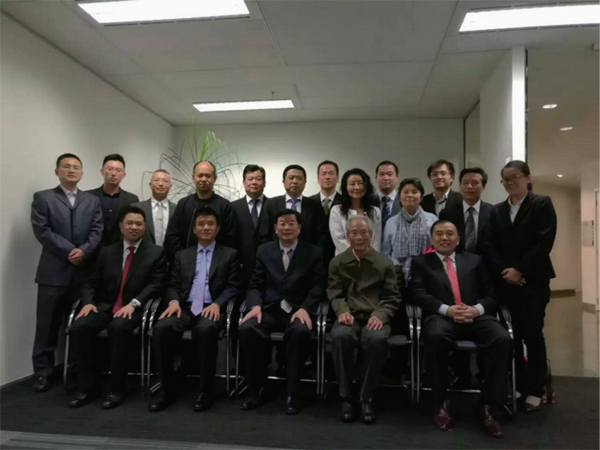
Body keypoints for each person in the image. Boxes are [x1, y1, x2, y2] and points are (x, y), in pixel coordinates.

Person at [409, 220, 511, 438]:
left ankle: (487, 405)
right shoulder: (421, 262)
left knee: (502, 339)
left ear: (458, 239)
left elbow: (492, 294)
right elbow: (416, 292)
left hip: (475, 316)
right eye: (439, 234)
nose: (444, 238)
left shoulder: (475, 260)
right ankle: (441, 402)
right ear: (432, 239)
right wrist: (447, 310)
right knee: (435, 337)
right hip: (442, 316)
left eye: (449, 234)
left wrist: (476, 310)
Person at [69, 206, 166, 409]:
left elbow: (156, 284)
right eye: (129, 223)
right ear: (121, 227)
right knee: (80, 327)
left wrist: (134, 303)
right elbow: (90, 282)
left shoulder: (155, 253)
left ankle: (117, 388)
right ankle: (88, 387)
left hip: (136, 308)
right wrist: (88, 303)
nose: (134, 227)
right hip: (105, 307)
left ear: (144, 227)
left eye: (139, 224)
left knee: (119, 327)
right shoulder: (107, 252)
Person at [149, 207, 241, 412]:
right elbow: (172, 285)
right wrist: (173, 301)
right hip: (185, 307)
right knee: (162, 328)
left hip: (212, 307)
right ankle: (167, 389)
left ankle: (205, 391)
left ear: (218, 228)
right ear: (194, 229)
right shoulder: (182, 255)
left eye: (210, 224)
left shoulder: (230, 254)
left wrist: (218, 304)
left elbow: (233, 286)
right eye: (201, 224)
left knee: (205, 330)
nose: (206, 227)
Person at [238, 210, 325, 415]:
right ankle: (256, 389)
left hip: (298, 310)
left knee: (300, 332)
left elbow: (318, 286)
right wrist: (255, 305)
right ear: (275, 229)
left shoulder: (313, 252)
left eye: (291, 223)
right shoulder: (264, 250)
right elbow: (255, 284)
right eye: (282, 224)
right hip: (270, 309)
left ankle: (293, 393)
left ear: (299, 228)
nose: (287, 227)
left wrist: (305, 308)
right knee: (248, 328)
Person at [30, 153, 103, 392]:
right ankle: (43, 372)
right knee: (47, 325)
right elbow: (42, 231)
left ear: (81, 173)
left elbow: (97, 230)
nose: (71, 170)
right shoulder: (43, 198)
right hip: (53, 273)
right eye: (66, 166)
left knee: (79, 325)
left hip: (83, 273)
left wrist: (84, 250)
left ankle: (75, 369)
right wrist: (70, 250)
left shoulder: (91, 201)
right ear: (57, 171)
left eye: (76, 167)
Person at [488, 160, 557, 412]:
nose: (510, 183)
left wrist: (520, 270)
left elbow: (544, 242)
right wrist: (506, 272)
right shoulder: (497, 211)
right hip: (505, 282)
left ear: (527, 178)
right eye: (505, 179)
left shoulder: (541, 203)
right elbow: (490, 245)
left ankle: (536, 389)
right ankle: (517, 384)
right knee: (511, 336)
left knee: (532, 333)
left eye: (515, 177)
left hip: (533, 281)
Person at [328, 216, 400, 424]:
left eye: (363, 233)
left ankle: (366, 397)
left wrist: (380, 314)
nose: (359, 237)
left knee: (377, 340)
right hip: (349, 316)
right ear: (347, 237)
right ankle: (345, 397)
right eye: (354, 233)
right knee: (340, 336)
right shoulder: (337, 262)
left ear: (371, 235)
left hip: (374, 316)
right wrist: (342, 311)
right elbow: (334, 292)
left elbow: (392, 296)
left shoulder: (384, 263)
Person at [164, 161, 236, 260]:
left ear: (215, 179)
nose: (203, 179)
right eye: (200, 175)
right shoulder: (183, 204)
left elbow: (231, 239)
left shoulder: (225, 206)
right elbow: (172, 235)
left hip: (217, 262)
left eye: (208, 176)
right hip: (186, 261)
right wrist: (182, 257)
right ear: (193, 178)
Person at [382, 178, 437, 285]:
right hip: (396, 275)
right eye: (406, 192)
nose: (410, 195)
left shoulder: (432, 220)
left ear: (421, 197)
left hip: (425, 273)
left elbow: (436, 249)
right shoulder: (391, 222)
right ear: (399, 197)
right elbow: (386, 252)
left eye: (414, 192)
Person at [263, 164, 327, 248]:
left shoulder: (315, 206)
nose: (295, 181)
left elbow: (322, 234)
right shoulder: (271, 204)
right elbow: (264, 234)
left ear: (305, 183)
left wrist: (315, 253)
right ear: (283, 182)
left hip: (308, 253)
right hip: (276, 253)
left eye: (299, 178)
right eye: (291, 178)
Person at [231, 165, 270, 287]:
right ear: (244, 183)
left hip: (269, 266)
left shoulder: (273, 205)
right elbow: (230, 238)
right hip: (240, 268)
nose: (254, 182)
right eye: (250, 179)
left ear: (264, 183)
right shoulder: (232, 207)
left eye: (258, 179)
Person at [87, 154, 139, 246]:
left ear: (123, 175)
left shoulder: (132, 199)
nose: (113, 173)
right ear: (102, 172)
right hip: (93, 249)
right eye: (110, 169)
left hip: (120, 249)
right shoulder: (88, 197)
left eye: (118, 170)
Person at [439, 167, 493, 256]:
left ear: (483, 187)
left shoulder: (492, 212)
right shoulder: (448, 213)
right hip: (456, 261)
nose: (469, 186)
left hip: (486, 262)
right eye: (465, 183)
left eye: (475, 183)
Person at [329, 168, 382, 255]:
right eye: (352, 184)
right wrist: (358, 255)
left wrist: (369, 257)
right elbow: (339, 240)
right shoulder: (336, 211)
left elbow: (376, 241)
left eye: (360, 183)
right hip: (345, 259)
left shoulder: (375, 211)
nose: (357, 187)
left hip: (371, 259)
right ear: (345, 187)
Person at [309, 160, 342, 265]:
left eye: (331, 173)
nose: (327, 177)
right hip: (313, 257)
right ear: (318, 179)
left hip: (338, 255)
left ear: (337, 178)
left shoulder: (346, 202)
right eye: (323, 174)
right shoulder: (308, 202)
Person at [132, 169, 175, 246]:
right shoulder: (137, 208)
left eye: (165, 181)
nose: (160, 184)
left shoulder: (177, 209)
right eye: (156, 180)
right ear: (150, 185)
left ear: (170, 186)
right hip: (144, 252)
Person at [375, 161, 401, 233]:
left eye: (389, 174)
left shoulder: (404, 201)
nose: (386, 178)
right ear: (376, 178)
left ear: (397, 178)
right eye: (382, 174)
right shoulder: (368, 201)